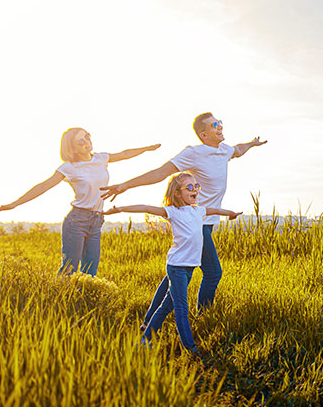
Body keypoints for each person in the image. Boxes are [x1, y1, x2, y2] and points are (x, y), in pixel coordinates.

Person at [101, 112, 265, 319]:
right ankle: (204, 318)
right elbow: (161, 173)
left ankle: (149, 319)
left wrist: (252, 143)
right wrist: (126, 185)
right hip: (194, 222)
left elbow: (238, 150)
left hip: (206, 222)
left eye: (220, 123)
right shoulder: (193, 153)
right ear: (204, 135)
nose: (220, 126)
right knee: (213, 273)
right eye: (215, 125)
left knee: (177, 273)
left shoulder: (224, 150)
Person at [0, 128, 160, 276]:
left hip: (97, 220)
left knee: (90, 270)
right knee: (69, 269)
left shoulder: (100, 158)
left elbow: (125, 154)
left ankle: (83, 304)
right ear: (72, 147)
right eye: (81, 141)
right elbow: (44, 186)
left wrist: (146, 148)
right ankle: (60, 305)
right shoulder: (69, 167)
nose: (87, 141)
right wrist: (15, 204)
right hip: (77, 221)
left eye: (87, 136)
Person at [104, 173, 241, 353]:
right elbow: (146, 207)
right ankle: (191, 349)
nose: (195, 190)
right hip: (176, 267)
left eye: (196, 186)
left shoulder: (198, 210)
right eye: (190, 187)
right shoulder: (172, 212)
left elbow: (215, 210)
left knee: (167, 305)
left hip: (189, 267)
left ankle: (146, 339)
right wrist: (120, 209)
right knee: (181, 308)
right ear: (177, 193)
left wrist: (230, 213)